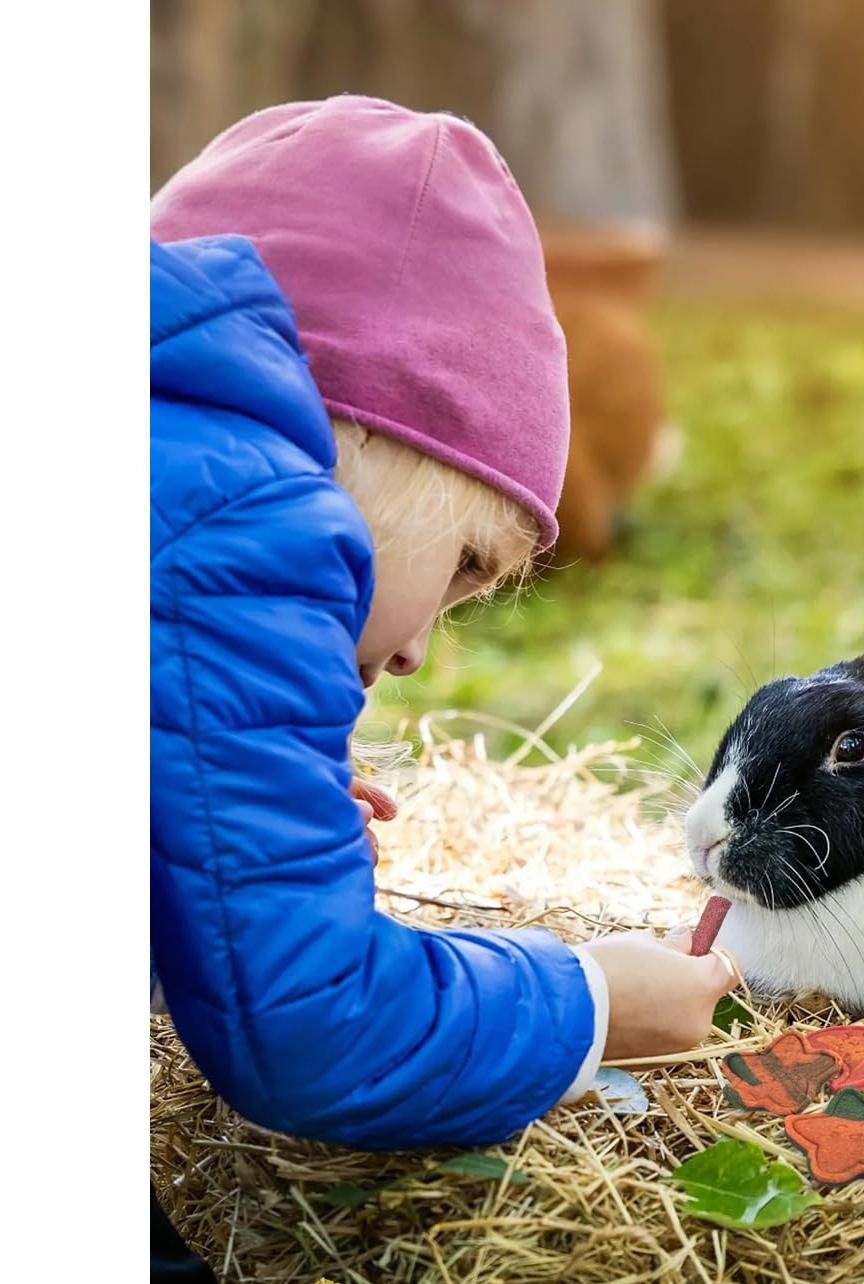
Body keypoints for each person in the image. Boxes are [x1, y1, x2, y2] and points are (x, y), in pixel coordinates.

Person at [151, 96, 737, 1159]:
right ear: (380, 444)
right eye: (466, 564)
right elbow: (314, 1031)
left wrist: (187, 820)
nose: (419, 649)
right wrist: (594, 998)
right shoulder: (248, 521)